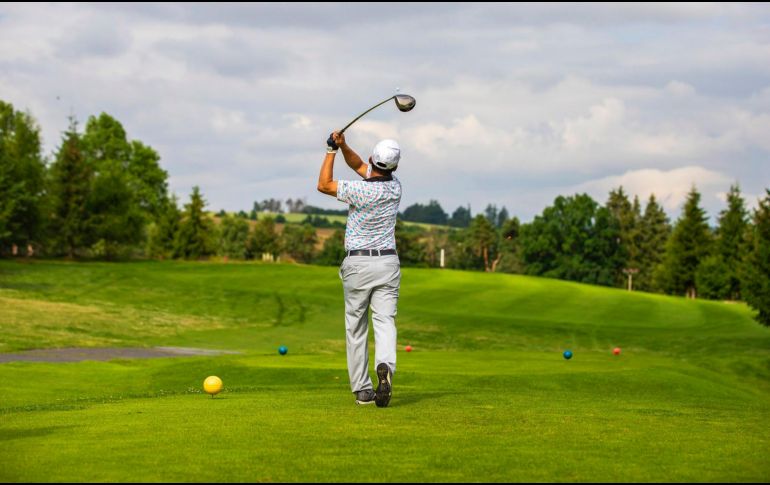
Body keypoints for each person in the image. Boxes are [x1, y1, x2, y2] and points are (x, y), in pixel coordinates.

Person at [317, 131, 402, 407]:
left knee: (356, 326)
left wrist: (331, 151)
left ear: (372, 159)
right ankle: (385, 366)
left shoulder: (360, 190)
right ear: (394, 166)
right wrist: (344, 146)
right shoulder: (395, 187)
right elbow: (358, 166)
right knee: (385, 320)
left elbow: (324, 184)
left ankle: (363, 390)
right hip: (387, 263)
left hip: (358, 264)